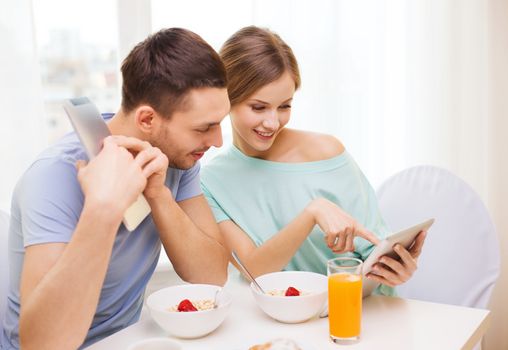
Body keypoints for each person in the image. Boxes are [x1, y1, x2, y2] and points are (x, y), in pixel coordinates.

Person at [1, 28, 231, 350]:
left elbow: (211, 276)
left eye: (220, 123)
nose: (217, 141)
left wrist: (159, 194)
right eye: (204, 128)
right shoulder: (52, 178)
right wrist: (103, 209)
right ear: (148, 119)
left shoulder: (179, 159)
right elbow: (41, 344)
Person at [201, 26, 426, 293]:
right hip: (280, 321)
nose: (273, 123)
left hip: (359, 311)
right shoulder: (211, 182)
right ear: (226, 98)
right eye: (258, 107)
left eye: (284, 106)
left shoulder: (326, 152)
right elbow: (255, 271)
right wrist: (311, 212)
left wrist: (395, 268)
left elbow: (373, 246)